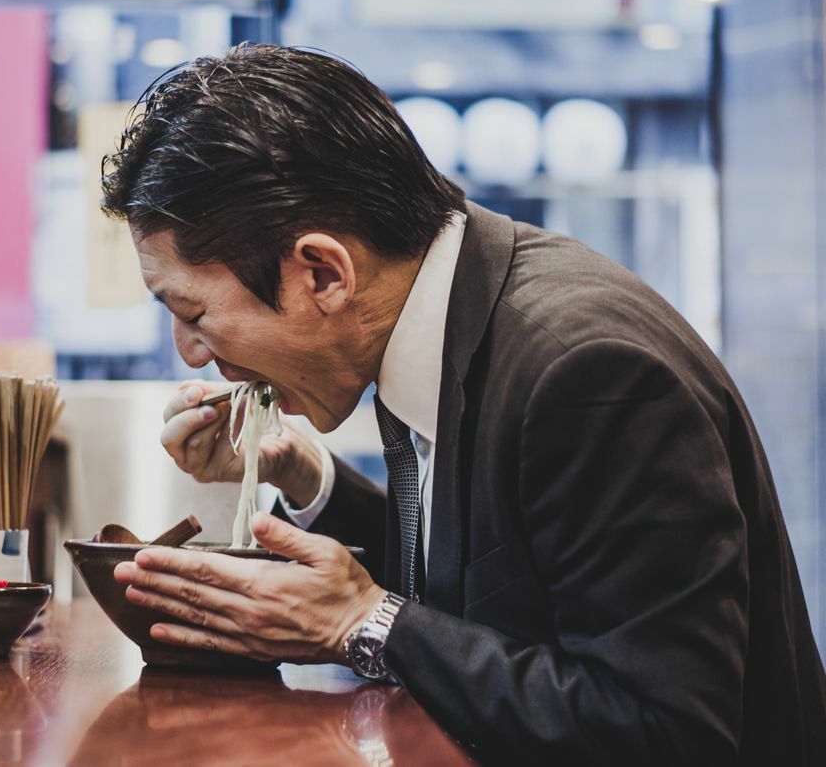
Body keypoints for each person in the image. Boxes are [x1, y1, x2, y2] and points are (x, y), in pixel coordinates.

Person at [103, 43, 826, 765]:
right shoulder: (424, 309)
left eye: (193, 314)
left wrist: (366, 620)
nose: (190, 352)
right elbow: (478, 588)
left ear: (323, 273)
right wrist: (303, 477)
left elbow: (663, 731)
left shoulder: (590, 373)